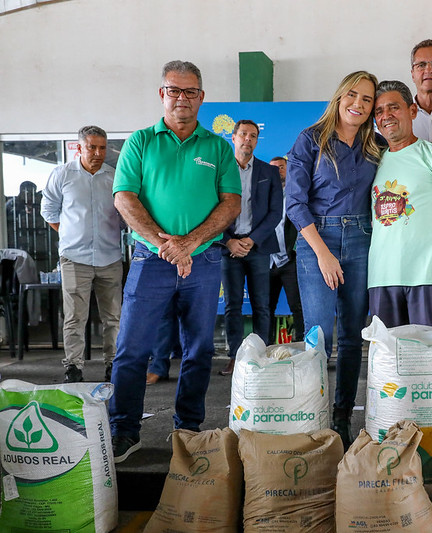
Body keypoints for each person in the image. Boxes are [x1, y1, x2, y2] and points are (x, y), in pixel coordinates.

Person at [109, 60, 241, 463]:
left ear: (201, 97)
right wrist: (164, 245)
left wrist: (190, 243)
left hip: (202, 263)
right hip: (150, 262)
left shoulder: (217, 146)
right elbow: (124, 198)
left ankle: (188, 428)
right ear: (161, 94)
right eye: (174, 90)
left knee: (199, 350)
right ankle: (125, 430)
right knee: (132, 349)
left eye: (190, 92)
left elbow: (231, 203)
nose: (182, 98)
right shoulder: (141, 142)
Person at [285, 71, 384, 448]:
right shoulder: (311, 139)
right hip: (316, 239)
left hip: (362, 238)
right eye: (352, 95)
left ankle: (342, 415)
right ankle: (315, 415)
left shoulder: (376, 144)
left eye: (367, 99)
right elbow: (294, 203)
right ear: (339, 96)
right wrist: (323, 254)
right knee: (318, 337)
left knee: (353, 336)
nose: (358, 104)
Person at [369, 80, 432, 327]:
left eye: (394, 108)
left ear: (412, 111)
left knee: (431, 361)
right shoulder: (371, 161)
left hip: (429, 278)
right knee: (388, 362)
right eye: (379, 111)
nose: (386, 116)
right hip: (381, 279)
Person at [41, 125, 123, 383]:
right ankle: (74, 368)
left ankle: (113, 365)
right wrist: (69, 235)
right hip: (74, 259)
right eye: (92, 147)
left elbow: (124, 215)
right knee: (75, 317)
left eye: (102, 147)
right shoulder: (62, 174)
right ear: (79, 147)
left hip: (110, 257)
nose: (98, 152)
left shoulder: (115, 176)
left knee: (114, 318)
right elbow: (49, 211)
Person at [218, 120, 283, 376]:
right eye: (243, 134)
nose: (248, 139)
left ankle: (261, 354)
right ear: (233, 138)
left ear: (257, 141)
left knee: (262, 305)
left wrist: (252, 240)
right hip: (229, 247)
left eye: (253, 136)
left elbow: (275, 212)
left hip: (258, 247)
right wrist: (228, 240)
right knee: (233, 305)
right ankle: (235, 356)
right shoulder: (220, 171)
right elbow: (211, 209)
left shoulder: (268, 172)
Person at [268, 156, 305, 344]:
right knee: (265, 308)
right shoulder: (259, 195)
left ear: (288, 170)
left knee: (298, 306)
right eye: (273, 168)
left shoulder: (296, 194)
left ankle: (304, 349)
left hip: (290, 259)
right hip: (266, 260)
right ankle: (263, 350)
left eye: (281, 167)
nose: (277, 171)